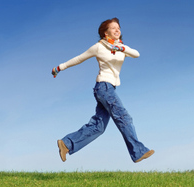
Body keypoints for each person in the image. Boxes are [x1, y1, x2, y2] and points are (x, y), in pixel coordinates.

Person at [52, 17, 154, 163]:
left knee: (98, 126)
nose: (117, 30)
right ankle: (138, 152)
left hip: (109, 89)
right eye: (113, 28)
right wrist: (60, 67)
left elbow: (136, 53)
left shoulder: (121, 47)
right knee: (124, 117)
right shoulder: (99, 47)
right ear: (105, 33)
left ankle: (66, 143)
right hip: (104, 88)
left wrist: (120, 48)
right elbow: (79, 58)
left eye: (118, 27)